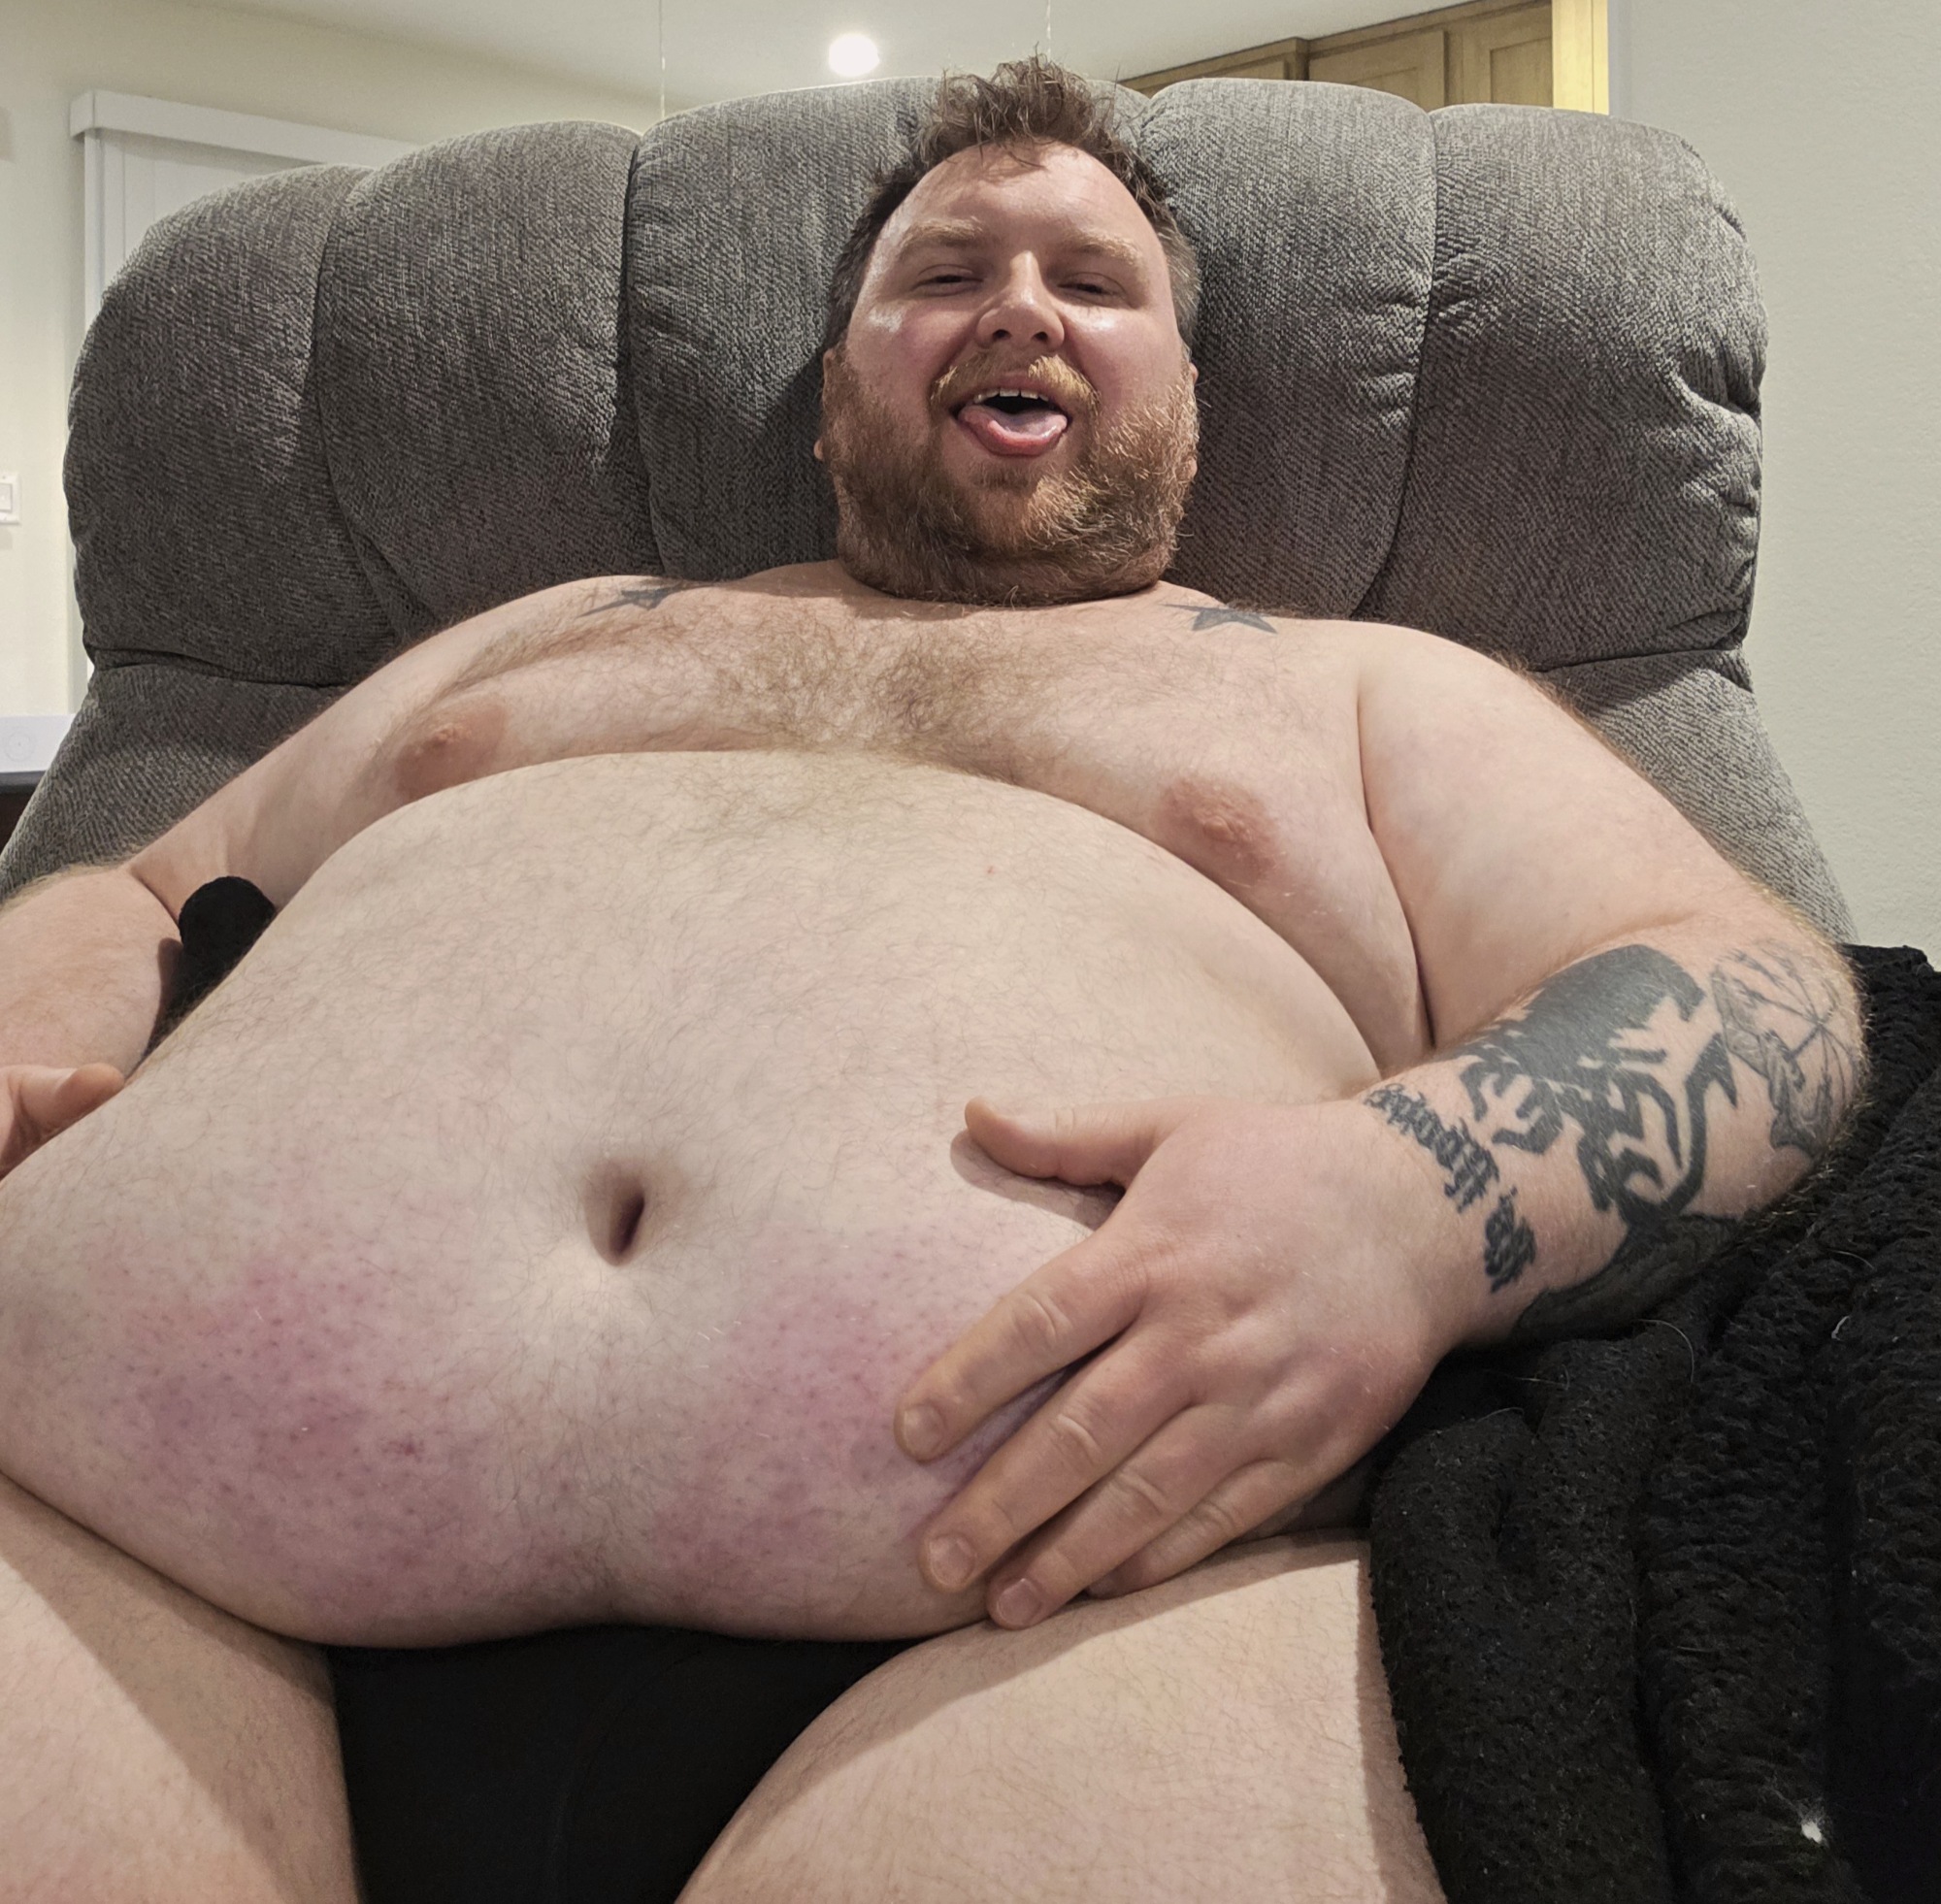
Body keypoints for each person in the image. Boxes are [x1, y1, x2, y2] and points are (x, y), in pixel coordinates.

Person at [0, 59, 1862, 1904]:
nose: (1022, 309)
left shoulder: (1356, 685)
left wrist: (1409, 1204)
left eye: (1093, 281)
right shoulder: (554, 633)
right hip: (128, 1548)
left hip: (1067, 1631)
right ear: (836, 395)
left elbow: (1749, 984)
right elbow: (139, 888)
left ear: (1188, 407)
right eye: (948, 273)